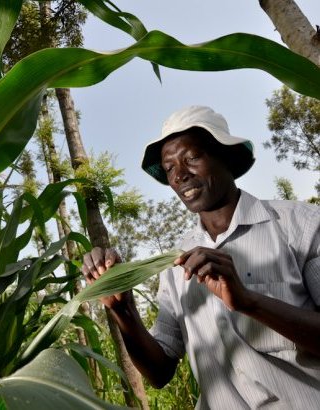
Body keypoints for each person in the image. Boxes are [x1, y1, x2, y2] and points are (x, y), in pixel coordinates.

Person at [82, 106, 320, 409]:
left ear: (227, 157)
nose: (180, 175)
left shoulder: (301, 225)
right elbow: (160, 371)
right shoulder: (176, 265)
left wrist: (249, 302)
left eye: (192, 158)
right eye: (169, 168)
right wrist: (123, 309)